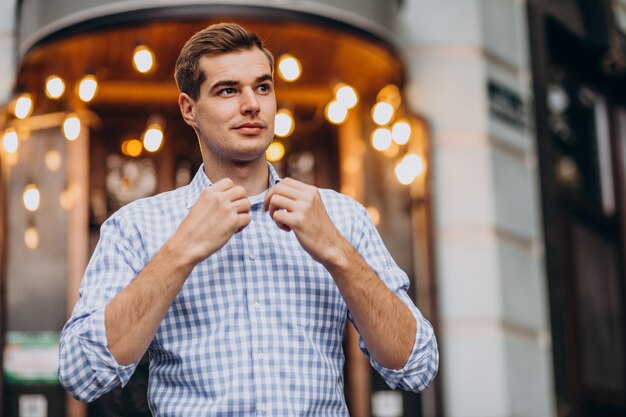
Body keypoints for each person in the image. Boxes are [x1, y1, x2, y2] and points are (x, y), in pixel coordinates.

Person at [59, 22, 438, 415]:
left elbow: (417, 366)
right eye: (228, 90)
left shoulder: (342, 217)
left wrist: (337, 252)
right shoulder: (136, 227)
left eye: (262, 87)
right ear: (189, 110)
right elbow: (83, 372)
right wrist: (181, 250)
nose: (252, 104)